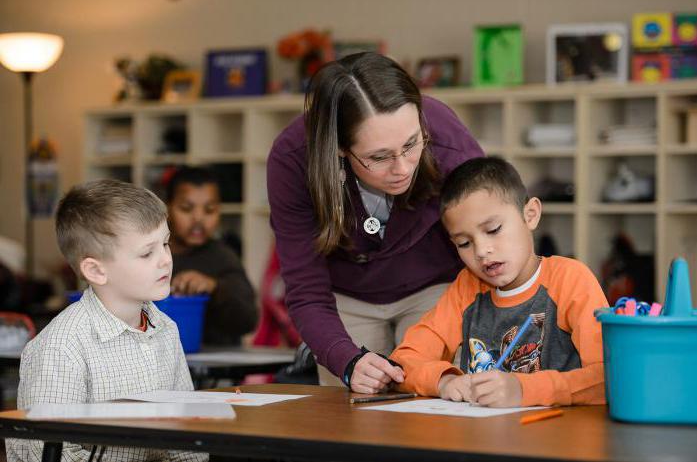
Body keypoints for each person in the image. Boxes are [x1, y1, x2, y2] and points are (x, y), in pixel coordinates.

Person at [267, 52, 484, 393]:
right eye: (379, 157)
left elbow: (488, 236)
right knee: (351, 419)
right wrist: (346, 360)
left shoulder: (447, 138)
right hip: (346, 299)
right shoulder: (293, 159)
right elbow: (306, 289)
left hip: (437, 288)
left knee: (436, 406)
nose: (402, 168)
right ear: (338, 148)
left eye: (412, 144)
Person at [6, 180, 207, 462]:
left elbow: (188, 433)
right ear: (97, 271)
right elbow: (50, 452)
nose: (165, 260)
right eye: (147, 252)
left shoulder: (166, 330)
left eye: (165, 244)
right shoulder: (61, 347)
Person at [390, 157, 607, 407]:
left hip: (556, 437)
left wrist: (524, 390)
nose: (481, 251)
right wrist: (444, 381)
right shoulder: (468, 287)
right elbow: (404, 361)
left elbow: (608, 377)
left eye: (493, 229)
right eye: (464, 243)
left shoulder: (569, 280)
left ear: (531, 215)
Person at [166, 166, 257, 346]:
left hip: (216, 368)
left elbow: (248, 320)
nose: (198, 218)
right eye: (186, 208)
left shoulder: (223, 257)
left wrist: (215, 287)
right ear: (167, 208)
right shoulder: (150, 255)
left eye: (209, 210)